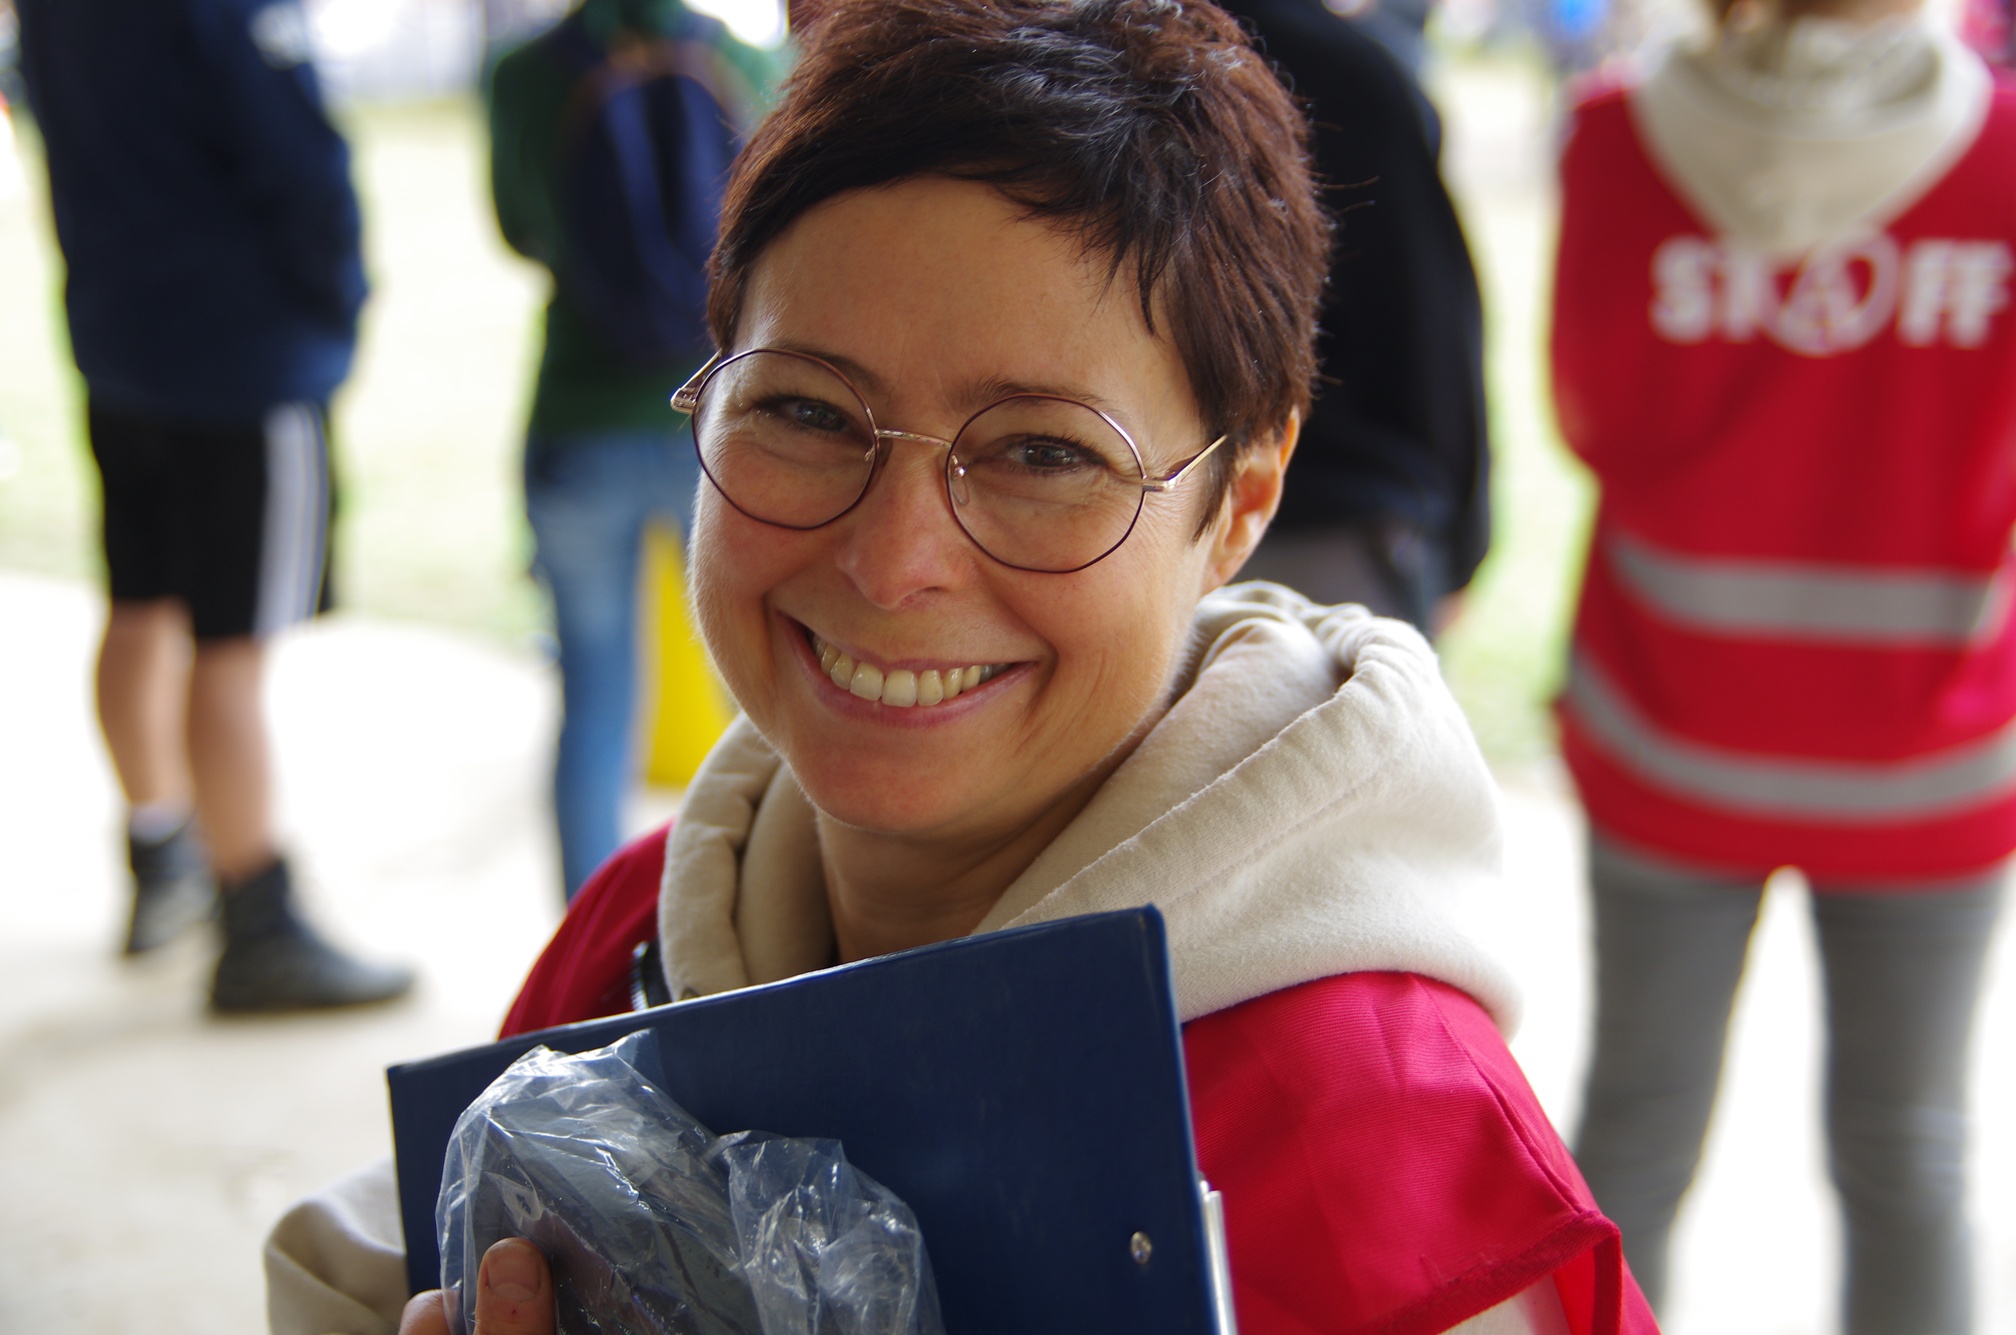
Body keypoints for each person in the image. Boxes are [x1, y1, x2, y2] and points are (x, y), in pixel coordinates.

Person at [268, 0, 1658, 1330]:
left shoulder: (1388, 1158)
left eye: (1044, 452)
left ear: (1239, 499)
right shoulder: (628, 946)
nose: (892, 564)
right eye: (807, 410)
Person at [1552, 0, 2013, 1328]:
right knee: (1911, 1155)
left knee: (1634, 1135)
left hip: (1671, 722)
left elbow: (1590, 411)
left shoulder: (1618, 138)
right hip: (1932, 745)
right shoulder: (2002, 157)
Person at [15, 0, 414, 1010]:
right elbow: (299, 161)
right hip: (239, 360)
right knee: (229, 646)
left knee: (141, 604)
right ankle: (256, 918)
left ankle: (161, 856)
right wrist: (334, 306)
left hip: (121, 341)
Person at [488, 0, 786, 903]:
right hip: (717, 418)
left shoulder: (524, 74)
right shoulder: (740, 61)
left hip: (579, 414)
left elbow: (521, 227)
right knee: (765, 696)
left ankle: (587, 940)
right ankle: (761, 921)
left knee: (594, 699)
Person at [1225, 0, 1492, 635]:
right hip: (1335, 539)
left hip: (1147, 511)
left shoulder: (1075, 48)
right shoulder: (1353, 74)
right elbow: (1432, 341)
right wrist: (1466, 543)